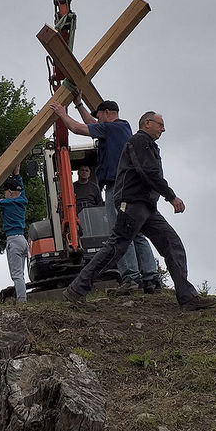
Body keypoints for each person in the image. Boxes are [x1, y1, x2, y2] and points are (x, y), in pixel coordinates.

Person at [63, 111, 216, 312]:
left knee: (172, 243)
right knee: (115, 247)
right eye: (160, 124)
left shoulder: (147, 144)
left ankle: (188, 298)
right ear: (147, 123)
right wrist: (171, 196)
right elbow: (148, 172)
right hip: (133, 204)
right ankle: (76, 290)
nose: (163, 129)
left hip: (146, 207)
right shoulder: (139, 141)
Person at [50, 97, 158, 293]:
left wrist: (61, 113)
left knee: (120, 233)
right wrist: (78, 104)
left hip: (116, 187)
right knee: (137, 233)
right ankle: (151, 278)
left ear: (108, 113)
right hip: (131, 187)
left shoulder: (110, 128)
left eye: (99, 116)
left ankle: (131, 278)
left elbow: (78, 128)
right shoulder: (121, 129)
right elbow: (92, 124)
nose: (97, 120)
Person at [0, 167, 29, 303]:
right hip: (23, 241)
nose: (4, 195)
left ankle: (22, 302)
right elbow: (22, 188)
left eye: (5, 193)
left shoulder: (8, 203)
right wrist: (17, 174)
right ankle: (22, 299)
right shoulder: (22, 200)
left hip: (13, 241)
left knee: (17, 275)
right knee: (21, 274)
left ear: (9, 192)